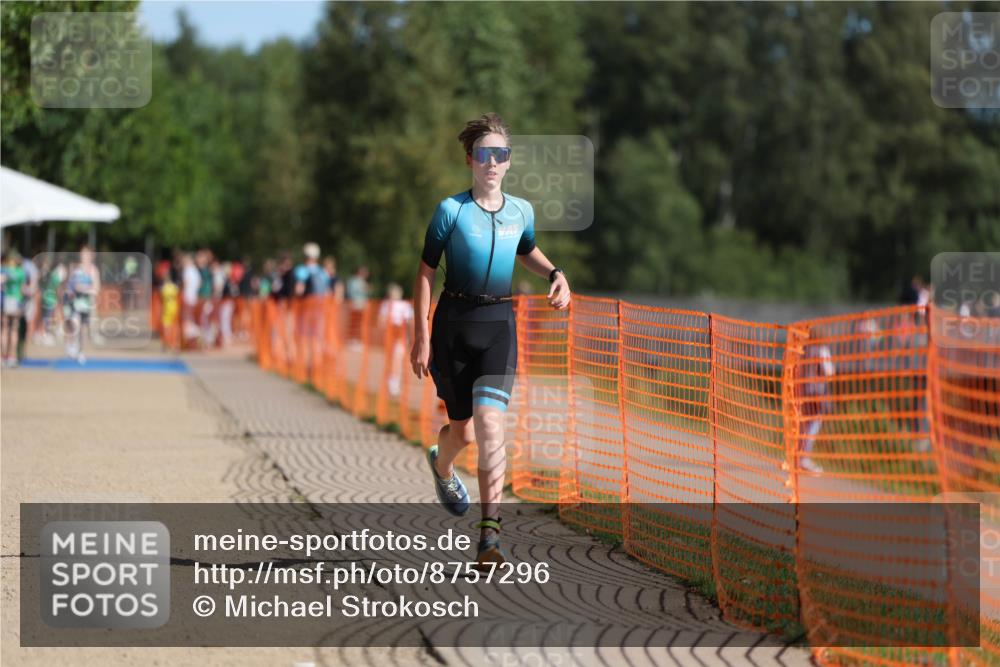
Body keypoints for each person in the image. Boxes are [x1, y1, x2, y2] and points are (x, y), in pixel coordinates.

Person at [410, 113, 571, 569]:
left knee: (490, 425)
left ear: (509, 161)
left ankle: (489, 538)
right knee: (462, 431)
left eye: (501, 154)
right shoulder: (451, 211)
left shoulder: (522, 211)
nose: (493, 163)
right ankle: (442, 464)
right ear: (470, 160)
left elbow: (527, 250)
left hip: (499, 323)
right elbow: (424, 272)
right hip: (453, 325)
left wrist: (556, 274)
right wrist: (420, 333)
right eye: (485, 154)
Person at [798, 343, 835, 474]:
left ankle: (799, 457)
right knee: (813, 425)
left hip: (805, 391)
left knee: (804, 425)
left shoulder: (804, 349)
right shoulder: (822, 350)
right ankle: (804, 458)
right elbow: (829, 372)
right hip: (817, 392)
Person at [63, 245, 101, 364]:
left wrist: (84, 289)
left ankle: (80, 351)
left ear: (91, 256)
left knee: (83, 329)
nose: (84, 257)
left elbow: (96, 288)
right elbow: (69, 285)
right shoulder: (76, 269)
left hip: (86, 304)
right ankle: (71, 345)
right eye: (82, 254)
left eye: (86, 254)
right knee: (75, 324)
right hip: (74, 302)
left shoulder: (93, 270)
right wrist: (71, 291)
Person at [379, 283, 414, 396]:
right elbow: (381, 322)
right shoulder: (385, 305)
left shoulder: (405, 305)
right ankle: (391, 381)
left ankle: (394, 382)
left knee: (397, 358)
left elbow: (409, 323)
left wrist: (409, 337)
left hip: (400, 335)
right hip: (390, 335)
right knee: (392, 358)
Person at [1, 250, 26, 368]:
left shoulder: (4, 270)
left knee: (4, 329)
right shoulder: (20, 272)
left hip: (7, 300)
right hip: (16, 301)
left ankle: (3, 356)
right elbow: (22, 289)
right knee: (14, 329)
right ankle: (12, 356)